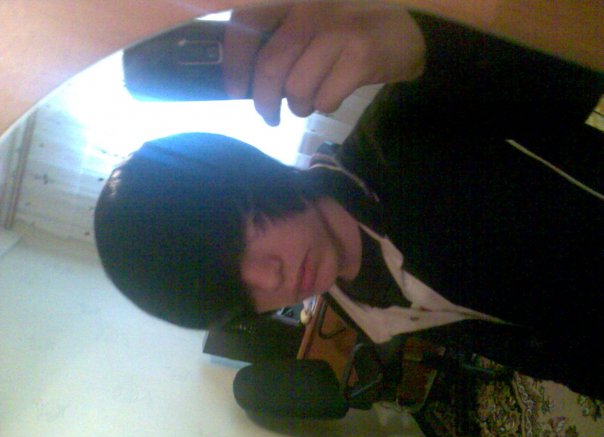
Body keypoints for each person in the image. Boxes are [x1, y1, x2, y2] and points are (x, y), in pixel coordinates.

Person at [94, 3, 603, 399]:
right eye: (237, 295)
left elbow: (574, 62)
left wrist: (429, 34)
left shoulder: (408, 129)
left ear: (249, 175)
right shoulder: (355, 306)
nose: (269, 280)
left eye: (241, 236)